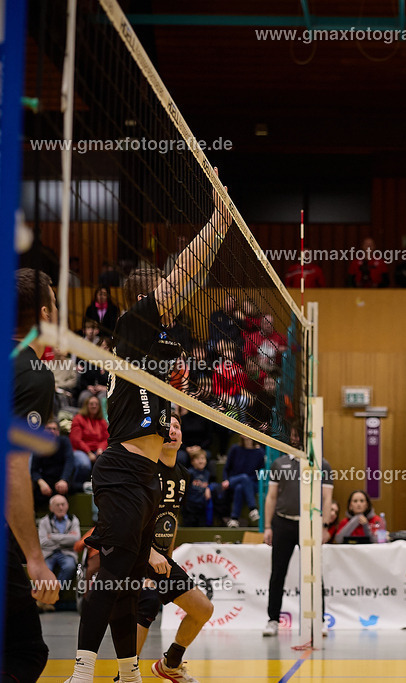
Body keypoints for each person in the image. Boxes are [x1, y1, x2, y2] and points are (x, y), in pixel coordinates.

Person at [69, 175, 232, 683]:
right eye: (166, 295)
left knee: (128, 579)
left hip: (145, 477)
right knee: (113, 575)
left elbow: (163, 434)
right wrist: (218, 223)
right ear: (147, 299)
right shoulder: (133, 328)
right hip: (120, 469)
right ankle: (82, 671)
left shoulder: (153, 363)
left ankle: (131, 672)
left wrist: (174, 405)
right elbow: (184, 274)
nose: (176, 301)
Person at [134, 413, 215, 681]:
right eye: (167, 426)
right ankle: (126, 675)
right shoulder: (145, 469)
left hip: (160, 558)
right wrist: (149, 553)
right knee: (147, 602)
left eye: (177, 426)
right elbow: (130, 519)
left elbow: (172, 518)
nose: (172, 430)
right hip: (135, 554)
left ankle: (169, 664)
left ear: (182, 437)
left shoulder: (182, 474)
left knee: (203, 609)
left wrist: (167, 556)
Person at [9, 269, 61, 682]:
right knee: (24, 653)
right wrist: (36, 559)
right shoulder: (31, 371)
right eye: (55, 304)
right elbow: (12, 467)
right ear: (44, 313)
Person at [263, 430, 332, 636]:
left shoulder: (322, 464)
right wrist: (268, 526)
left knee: (314, 573)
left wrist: (324, 526)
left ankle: (319, 620)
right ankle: (273, 620)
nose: (296, 438)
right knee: (278, 573)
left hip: (310, 524)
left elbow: (327, 497)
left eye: (300, 434)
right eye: (293, 434)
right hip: (282, 523)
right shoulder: (279, 463)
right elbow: (271, 497)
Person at [38, 494, 82, 601]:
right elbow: (43, 542)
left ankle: (54, 593)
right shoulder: (44, 521)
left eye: (63, 504)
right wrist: (66, 539)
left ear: (67, 506)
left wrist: (52, 537)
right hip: (49, 553)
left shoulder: (73, 520)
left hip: (67, 553)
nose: (61, 508)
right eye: (57, 505)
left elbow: (76, 539)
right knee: (45, 569)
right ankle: (50, 597)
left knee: (69, 566)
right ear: (51, 508)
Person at [33, 420, 82, 508]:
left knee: (64, 489)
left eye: (54, 429)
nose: (51, 431)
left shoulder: (64, 441)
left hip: (63, 478)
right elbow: (34, 469)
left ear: (58, 432)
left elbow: (69, 462)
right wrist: (41, 482)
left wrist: (64, 479)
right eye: (49, 429)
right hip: (46, 480)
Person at [222, 436, 265, 527]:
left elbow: (260, 472)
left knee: (240, 487)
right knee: (243, 480)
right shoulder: (235, 449)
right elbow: (227, 468)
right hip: (236, 480)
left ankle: (234, 519)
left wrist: (230, 481)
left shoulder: (260, 452)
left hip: (252, 484)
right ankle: (253, 509)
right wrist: (226, 479)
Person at [71, 395, 109, 478]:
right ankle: (79, 483)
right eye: (91, 404)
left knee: (107, 461)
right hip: (80, 450)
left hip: (97, 450)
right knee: (84, 464)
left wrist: (100, 448)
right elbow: (76, 440)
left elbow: (106, 438)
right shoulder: (78, 419)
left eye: (96, 404)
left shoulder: (102, 421)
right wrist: (88, 452)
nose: (94, 406)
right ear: (86, 406)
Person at [183, 448, 213, 527]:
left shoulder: (207, 473)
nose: (201, 461)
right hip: (190, 506)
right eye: (197, 459)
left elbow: (208, 484)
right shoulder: (189, 473)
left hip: (202, 506)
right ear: (192, 462)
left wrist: (208, 488)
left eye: (203, 458)